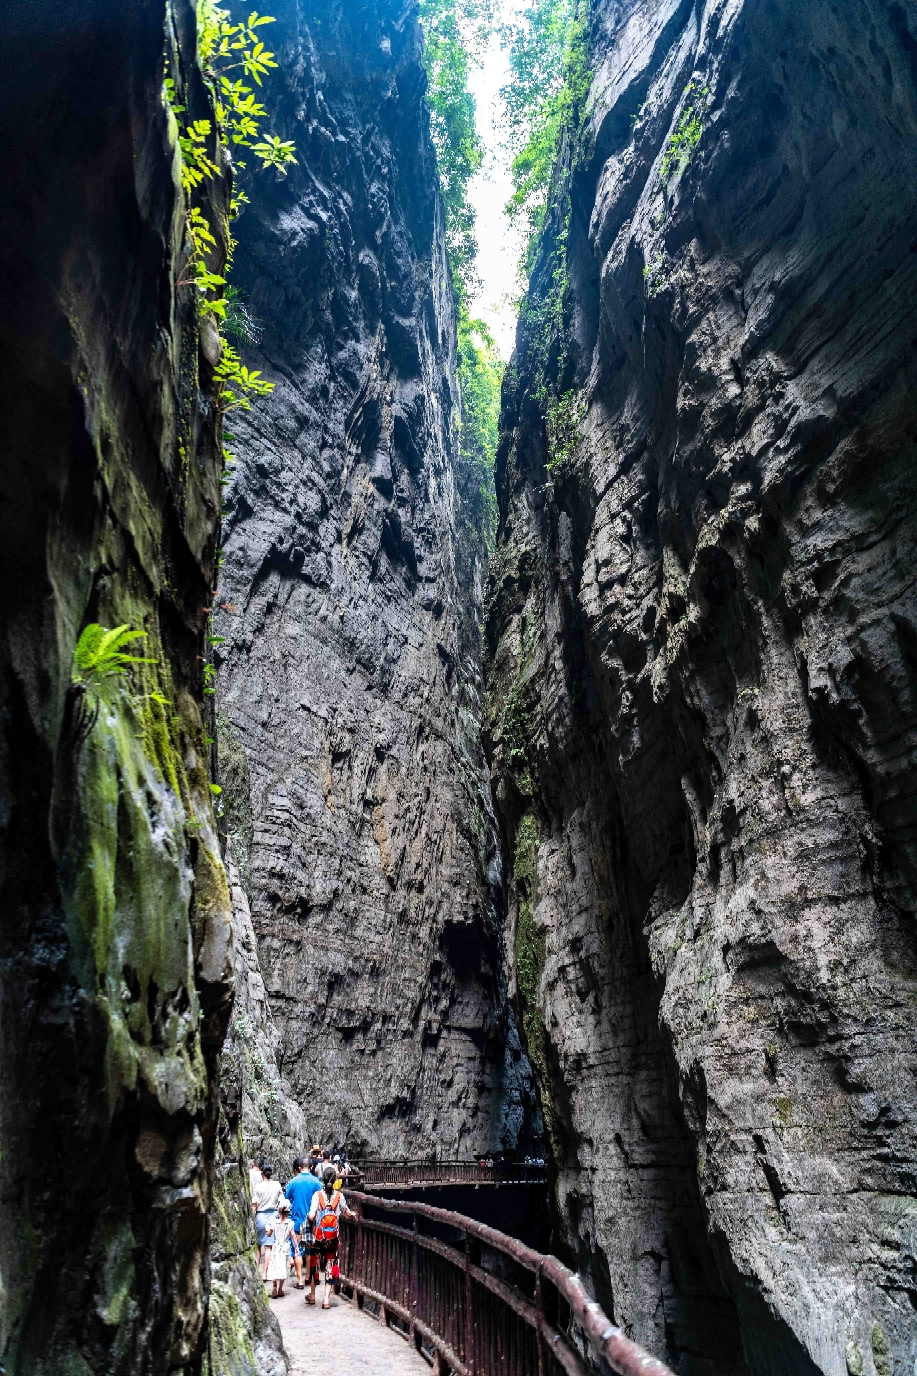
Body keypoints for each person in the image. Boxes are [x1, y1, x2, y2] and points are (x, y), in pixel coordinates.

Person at [306, 1165, 356, 1309]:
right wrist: (352, 1215)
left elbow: (311, 1215)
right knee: (330, 1264)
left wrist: (311, 1219)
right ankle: (326, 1299)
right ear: (335, 1180)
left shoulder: (317, 1196)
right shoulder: (339, 1196)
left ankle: (313, 1295)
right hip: (332, 1237)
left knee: (315, 1263)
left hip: (319, 1237)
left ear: (322, 1179)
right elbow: (347, 1212)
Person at [285, 1156, 323, 1289]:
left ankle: (300, 1280)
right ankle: (308, 1278)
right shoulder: (317, 1182)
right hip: (311, 1222)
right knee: (309, 1250)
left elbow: (287, 1200)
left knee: (297, 1251)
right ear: (311, 1167)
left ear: (299, 1168)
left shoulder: (293, 1182)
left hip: (296, 1221)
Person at [252, 1164, 284, 1280]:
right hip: (273, 1216)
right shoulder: (277, 1185)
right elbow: (281, 1203)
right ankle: (265, 1273)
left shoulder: (258, 1186)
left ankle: (255, 1273)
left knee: (258, 1246)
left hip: (260, 1216)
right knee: (269, 1247)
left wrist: (252, 1217)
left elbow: (255, 1204)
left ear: (262, 1174)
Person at [265, 1199, 294, 1298]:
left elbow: (269, 1234)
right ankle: (280, 1289)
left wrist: (267, 1230)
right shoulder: (289, 1223)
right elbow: (293, 1235)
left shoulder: (274, 1222)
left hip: (276, 1245)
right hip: (285, 1246)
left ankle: (274, 1284)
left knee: (275, 1265)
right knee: (283, 1266)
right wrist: (297, 1246)